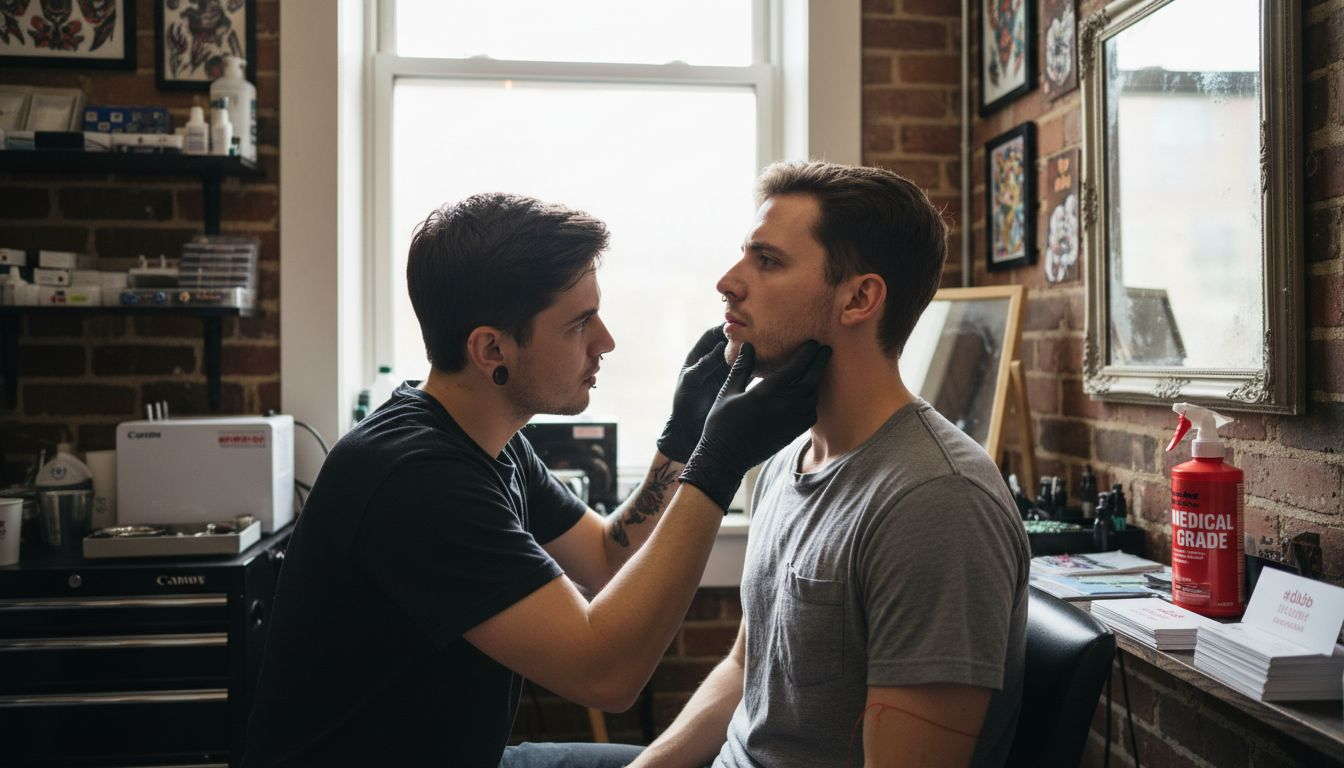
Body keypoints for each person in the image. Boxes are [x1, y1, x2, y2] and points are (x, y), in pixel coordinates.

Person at [242, 192, 832, 767]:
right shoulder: (415, 477)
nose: (606, 342)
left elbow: (606, 557)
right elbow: (606, 674)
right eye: (579, 325)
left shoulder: (487, 439)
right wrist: (718, 464)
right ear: (491, 348)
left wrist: (681, 442)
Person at [631, 162, 1031, 768]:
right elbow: (745, 669)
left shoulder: (935, 501)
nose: (727, 282)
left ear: (859, 298)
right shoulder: (783, 461)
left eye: (766, 261)